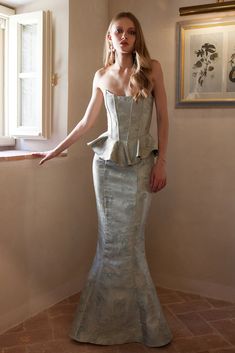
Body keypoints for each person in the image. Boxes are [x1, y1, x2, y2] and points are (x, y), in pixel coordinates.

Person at [34, 11, 173, 348]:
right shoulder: (101, 75)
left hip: (142, 165)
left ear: (137, 37)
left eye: (129, 32)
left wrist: (162, 163)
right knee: (109, 243)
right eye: (117, 32)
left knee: (132, 244)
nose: (123, 37)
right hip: (106, 169)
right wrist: (56, 150)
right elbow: (85, 124)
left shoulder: (152, 68)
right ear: (109, 38)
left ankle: (144, 325)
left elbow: (164, 120)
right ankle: (99, 324)